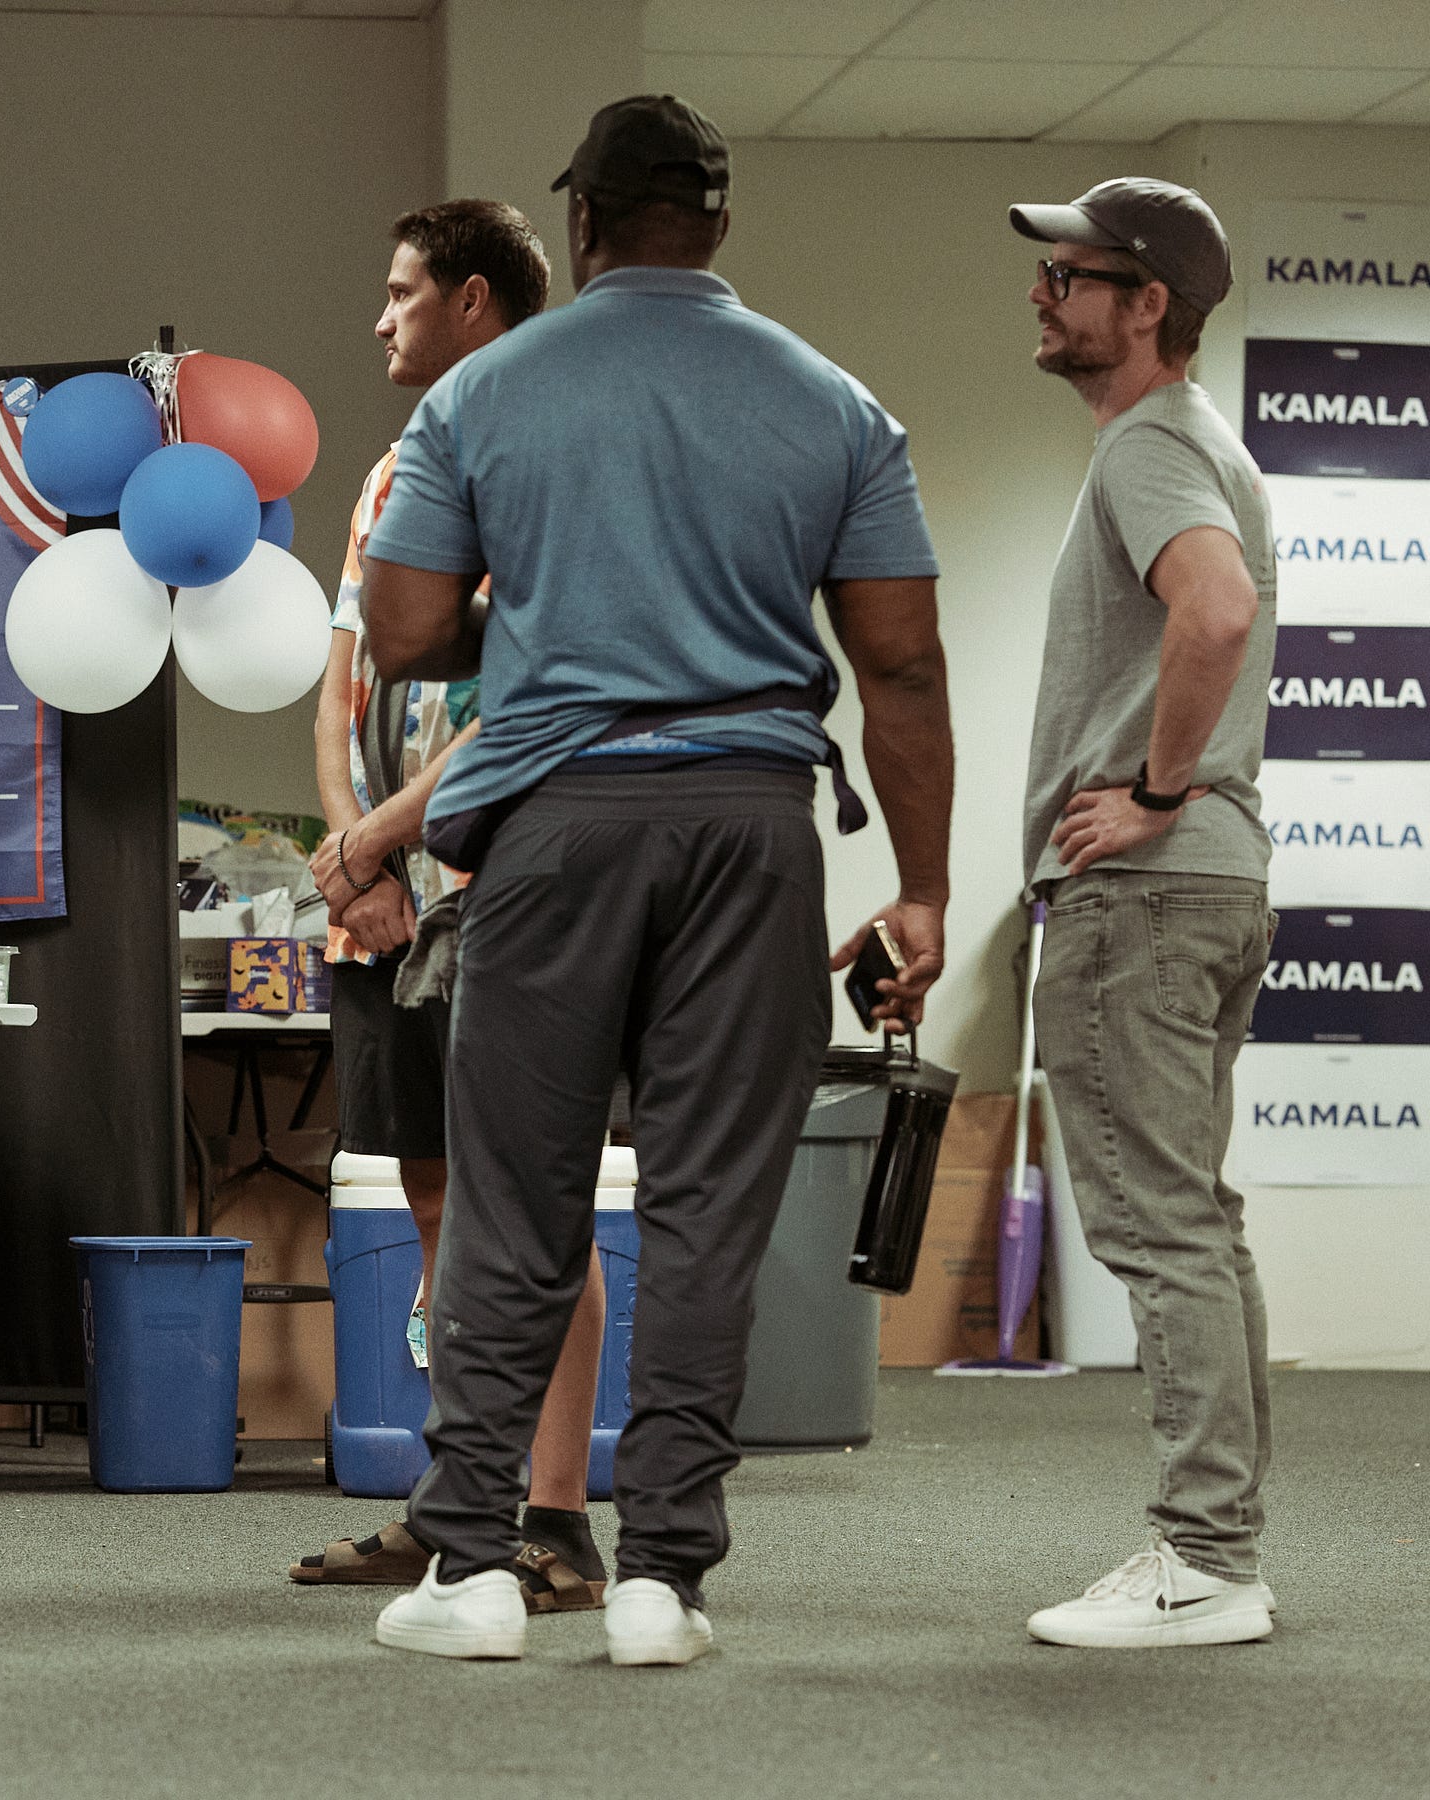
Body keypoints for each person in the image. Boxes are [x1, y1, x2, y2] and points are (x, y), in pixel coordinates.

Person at [358, 96, 953, 1665]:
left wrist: (551, 611)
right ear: (721, 225)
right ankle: (660, 1581)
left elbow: (410, 628)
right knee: (702, 1213)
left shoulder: (486, 389)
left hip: (556, 822)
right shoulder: (834, 402)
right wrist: (927, 891)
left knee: (514, 1202)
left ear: (585, 227)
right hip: (755, 822)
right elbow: (902, 665)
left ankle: (475, 1568)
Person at [289, 200, 614, 1614]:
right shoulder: (390, 474)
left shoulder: (558, 459)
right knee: (429, 1196)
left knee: (528, 1210)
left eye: (400, 291)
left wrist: (381, 838)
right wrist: (349, 858)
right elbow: (344, 671)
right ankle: (453, 1503)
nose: (379, 317)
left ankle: (556, 1519)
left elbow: (532, 701)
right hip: (384, 889)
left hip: (506, 885)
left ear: (474, 301)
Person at [1006, 180, 1279, 1648]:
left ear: (1147, 304)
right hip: (1210, 890)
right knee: (1200, 1224)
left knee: (1165, 1230)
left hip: (1149, 893)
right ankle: (1221, 1544)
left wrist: (1156, 791)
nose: (1043, 296)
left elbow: (1216, 610)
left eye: (1073, 278)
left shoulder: (1152, 452)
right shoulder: (1195, 446)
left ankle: (1202, 1557)